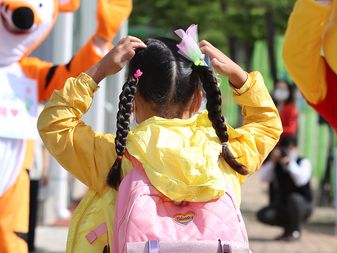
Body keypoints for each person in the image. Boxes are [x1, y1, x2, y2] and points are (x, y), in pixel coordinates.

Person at [37, 28, 282, 251]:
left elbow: (55, 123)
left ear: (133, 100)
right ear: (198, 99)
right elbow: (267, 125)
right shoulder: (226, 153)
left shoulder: (115, 157)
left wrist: (98, 72)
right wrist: (242, 79)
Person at [257, 135, 312, 242]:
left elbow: (301, 180)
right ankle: (287, 230)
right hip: (282, 205)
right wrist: (273, 162)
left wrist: (290, 163)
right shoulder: (275, 164)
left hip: (302, 206)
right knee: (264, 215)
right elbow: (263, 178)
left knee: (294, 199)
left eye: (290, 149)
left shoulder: (303, 162)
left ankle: (295, 231)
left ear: (296, 149)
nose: (287, 152)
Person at [272, 80, 299, 145]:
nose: (281, 91)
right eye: (278, 88)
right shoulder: (270, 106)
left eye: (283, 89)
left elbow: (291, 130)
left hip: (285, 143)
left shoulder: (292, 109)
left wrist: (274, 130)